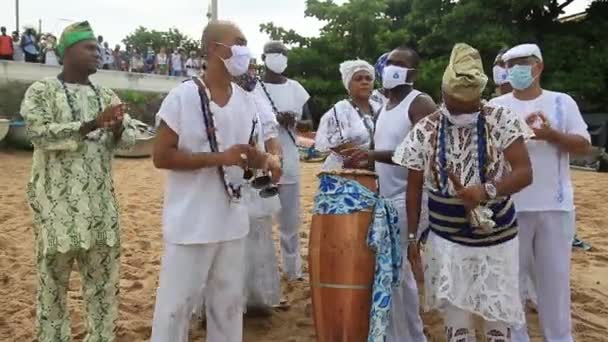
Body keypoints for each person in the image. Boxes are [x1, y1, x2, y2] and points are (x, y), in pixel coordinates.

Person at [150, 20, 282, 341]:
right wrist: (218, 159)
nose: (244, 50)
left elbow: (250, 154)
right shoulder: (183, 96)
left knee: (228, 305)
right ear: (214, 49)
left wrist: (267, 161)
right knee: (176, 307)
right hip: (190, 222)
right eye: (238, 42)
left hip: (233, 221)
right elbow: (161, 156)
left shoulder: (247, 100)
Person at [395, 42, 533, 342]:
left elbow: (524, 173)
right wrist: (411, 239)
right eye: (456, 104)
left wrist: (485, 190)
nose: (462, 111)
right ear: (444, 93)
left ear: (480, 96)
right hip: (447, 240)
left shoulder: (501, 119)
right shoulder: (426, 129)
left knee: (498, 324)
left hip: (499, 239)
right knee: (458, 325)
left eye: (469, 105)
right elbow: (414, 187)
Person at [20, 21, 138, 341]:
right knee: (52, 285)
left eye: (98, 48)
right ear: (67, 51)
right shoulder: (42, 91)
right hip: (56, 208)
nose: (97, 53)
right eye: (89, 48)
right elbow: (38, 132)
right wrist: (90, 124)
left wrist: (115, 128)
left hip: (100, 208)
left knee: (103, 287)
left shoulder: (106, 94)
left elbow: (129, 140)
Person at [490, 43, 592, 342]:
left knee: (555, 284)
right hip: (510, 207)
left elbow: (584, 146)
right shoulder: (496, 107)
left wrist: (551, 135)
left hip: (555, 206)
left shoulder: (561, 102)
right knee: (511, 284)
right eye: (512, 65)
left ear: (539, 67)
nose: (517, 70)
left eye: (524, 63)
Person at [342, 46, 436, 342]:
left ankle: (408, 336)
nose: (391, 68)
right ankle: (405, 334)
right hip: (386, 199)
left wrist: (371, 153)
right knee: (394, 274)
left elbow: (424, 153)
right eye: (389, 62)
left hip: (411, 198)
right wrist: (357, 158)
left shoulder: (419, 103)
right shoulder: (383, 107)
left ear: (413, 72)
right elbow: (377, 153)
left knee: (397, 273)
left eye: (400, 64)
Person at [257, 40, 312, 281]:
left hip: (289, 162)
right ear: (264, 57)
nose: (279, 57)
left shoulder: (296, 89)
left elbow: (310, 123)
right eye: (275, 53)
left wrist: (294, 121)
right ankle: (263, 273)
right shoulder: (253, 89)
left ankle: (292, 271)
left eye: (283, 53)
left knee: (289, 221)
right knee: (260, 221)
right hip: (261, 162)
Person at [233, 58, 284, 314]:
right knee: (230, 241)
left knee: (258, 236)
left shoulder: (259, 100)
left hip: (258, 179)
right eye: (246, 68)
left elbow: (272, 136)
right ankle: (226, 303)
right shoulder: (218, 98)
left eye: (254, 69)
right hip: (231, 176)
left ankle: (255, 298)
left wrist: (274, 159)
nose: (251, 74)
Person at [315, 59, 381, 171]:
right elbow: (340, 146)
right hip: (344, 172)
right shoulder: (340, 110)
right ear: (348, 85)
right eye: (358, 79)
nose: (364, 82)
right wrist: (369, 159)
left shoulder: (379, 107)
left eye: (368, 78)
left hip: (374, 169)